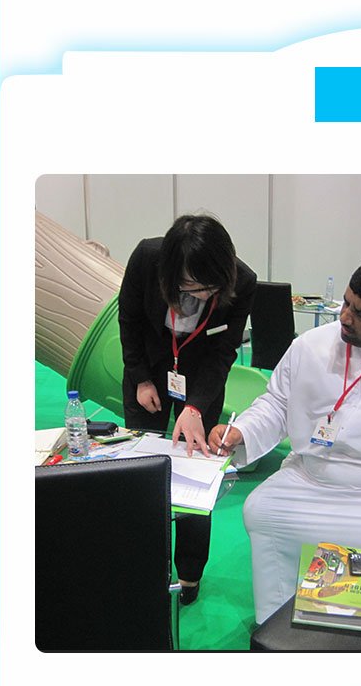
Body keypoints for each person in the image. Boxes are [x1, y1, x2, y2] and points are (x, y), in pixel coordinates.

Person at [208, 258, 361, 624]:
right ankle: (278, 622)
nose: (345, 317)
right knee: (262, 511)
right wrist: (243, 431)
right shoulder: (310, 346)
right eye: (346, 303)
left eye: (360, 313)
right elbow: (277, 403)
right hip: (312, 476)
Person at [118, 214, 257, 604]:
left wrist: (195, 405)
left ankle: (190, 574)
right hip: (149, 369)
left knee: (197, 474)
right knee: (143, 469)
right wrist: (141, 378)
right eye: (193, 287)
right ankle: (147, 564)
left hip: (200, 378)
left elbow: (224, 351)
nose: (205, 296)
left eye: (213, 288)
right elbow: (129, 319)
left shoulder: (242, 281)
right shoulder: (147, 258)